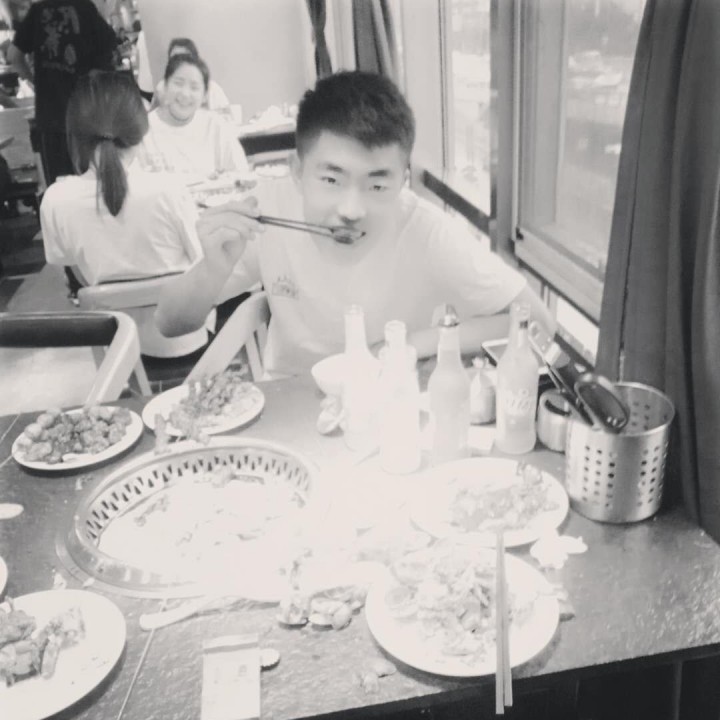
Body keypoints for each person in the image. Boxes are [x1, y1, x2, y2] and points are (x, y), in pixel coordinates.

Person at [155, 71, 555, 377]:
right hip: (292, 399)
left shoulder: (426, 231)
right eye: (331, 180)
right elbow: (171, 324)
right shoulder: (267, 209)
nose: (352, 209)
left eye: (377, 184)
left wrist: (412, 344)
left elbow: (538, 322)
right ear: (297, 171)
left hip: (388, 400)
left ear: (403, 181)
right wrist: (213, 268)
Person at [40, 70, 214, 358]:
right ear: (141, 130)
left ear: (74, 135)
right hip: (188, 345)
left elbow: (78, 274)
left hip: (119, 355)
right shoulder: (168, 189)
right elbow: (201, 264)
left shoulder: (55, 200)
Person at [7, 0, 118, 185]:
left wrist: (36, 83)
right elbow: (109, 51)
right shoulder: (85, 7)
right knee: (95, 184)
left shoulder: (37, 11)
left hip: (51, 116)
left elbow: (13, 56)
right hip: (87, 115)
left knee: (60, 186)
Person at [136, 53, 248, 180]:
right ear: (165, 86)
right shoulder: (143, 129)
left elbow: (241, 176)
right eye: (178, 83)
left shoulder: (216, 127)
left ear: (205, 95)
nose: (185, 93)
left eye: (194, 87)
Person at [152, 37, 230, 113]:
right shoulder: (161, 87)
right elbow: (152, 115)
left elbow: (227, 116)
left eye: (185, 58)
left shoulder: (212, 88)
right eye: (174, 59)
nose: (179, 63)